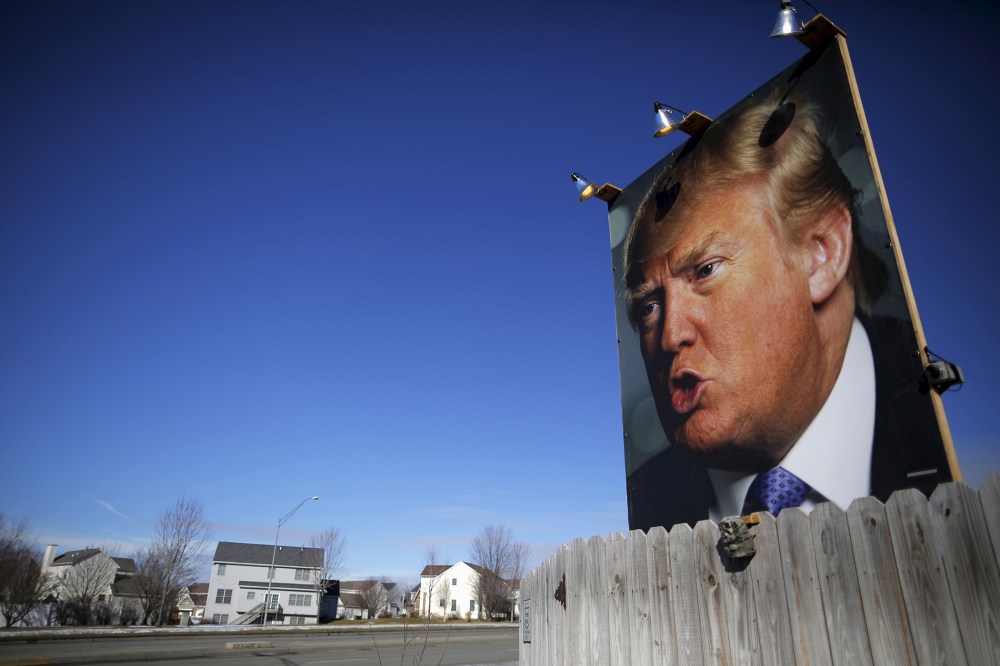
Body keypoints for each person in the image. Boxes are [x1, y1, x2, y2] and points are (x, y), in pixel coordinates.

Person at [623, 92, 878, 522]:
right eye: (648, 306)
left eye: (705, 271)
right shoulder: (648, 500)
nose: (669, 337)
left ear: (822, 254)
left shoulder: (930, 427)